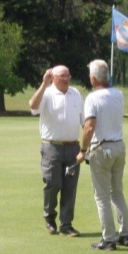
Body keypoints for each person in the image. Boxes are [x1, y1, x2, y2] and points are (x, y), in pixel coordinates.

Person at [76, 59, 128, 251]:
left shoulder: (92, 98)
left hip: (101, 148)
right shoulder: (119, 94)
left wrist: (83, 151)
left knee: (101, 196)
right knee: (117, 192)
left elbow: (89, 127)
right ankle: (126, 233)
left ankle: (109, 238)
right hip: (119, 146)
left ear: (93, 78)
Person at [29, 65, 84, 237]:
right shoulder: (47, 92)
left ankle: (66, 224)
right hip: (52, 146)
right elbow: (33, 107)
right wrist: (43, 84)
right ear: (53, 77)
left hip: (73, 147)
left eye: (68, 75)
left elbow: (84, 120)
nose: (66, 79)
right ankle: (49, 218)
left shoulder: (76, 94)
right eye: (62, 76)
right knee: (53, 184)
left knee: (70, 187)